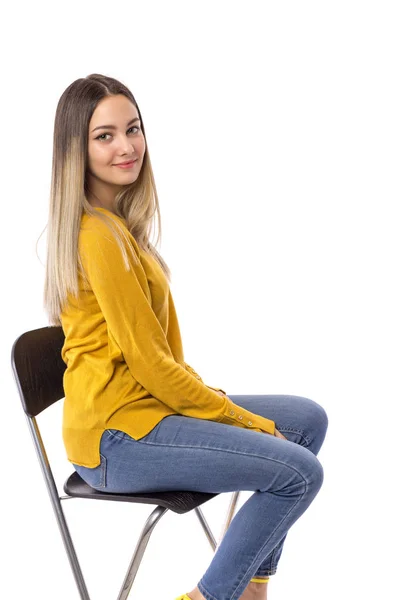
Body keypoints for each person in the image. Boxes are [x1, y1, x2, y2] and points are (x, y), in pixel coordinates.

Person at [43, 73, 328, 600]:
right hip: (116, 441)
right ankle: (212, 596)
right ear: (74, 151)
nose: (126, 146)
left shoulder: (117, 226)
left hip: (145, 412)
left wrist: (220, 408)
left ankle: (247, 589)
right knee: (298, 472)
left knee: (305, 420)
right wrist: (242, 418)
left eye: (133, 128)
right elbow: (152, 365)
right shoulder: (97, 238)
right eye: (104, 136)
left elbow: (151, 365)